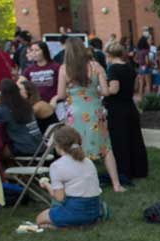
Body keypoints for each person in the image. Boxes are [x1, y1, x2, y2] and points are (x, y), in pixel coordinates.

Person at [51, 38, 125, 193]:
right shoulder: (95, 66)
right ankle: (116, 184)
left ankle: (78, 184)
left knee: (75, 145)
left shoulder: (64, 69)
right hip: (94, 110)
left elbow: (61, 94)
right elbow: (105, 92)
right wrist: (93, 91)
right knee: (105, 147)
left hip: (75, 112)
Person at [35, 126, 103, 228]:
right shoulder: (88, 161)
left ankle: (69, 225)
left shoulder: (56, 166)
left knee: (39, 219)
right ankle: (89, 221)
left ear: (57, 145)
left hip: (75, 211)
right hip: (95, 209)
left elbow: (59, 197)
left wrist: (46, 184)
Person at [104, 42, 148, 181]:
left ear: (108, 54)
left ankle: (124, 170)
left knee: (120, 140)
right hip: (129, 105)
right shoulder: (129, 67)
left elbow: (114, 89)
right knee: (134, 138)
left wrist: (101, 90)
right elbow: (135, 86)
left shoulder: (113, 69)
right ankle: (138, 169)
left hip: (117, 108)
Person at [0, 79, 42, 157]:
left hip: (25, 149)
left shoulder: (2, 110)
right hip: (40, 147)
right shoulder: (27, 104)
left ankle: (8, 166)